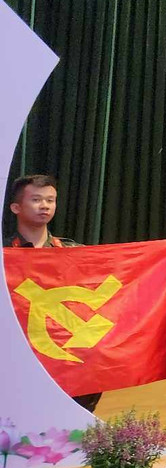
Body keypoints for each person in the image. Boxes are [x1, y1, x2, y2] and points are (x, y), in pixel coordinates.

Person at [8, 175, 101, 413]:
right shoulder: (4, 253)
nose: (45, 206)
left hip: (66, 351)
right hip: (17, 351)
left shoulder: (73, 251)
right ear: (16, 207)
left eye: (50, 200)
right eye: (36, 200)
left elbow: (121, 269)